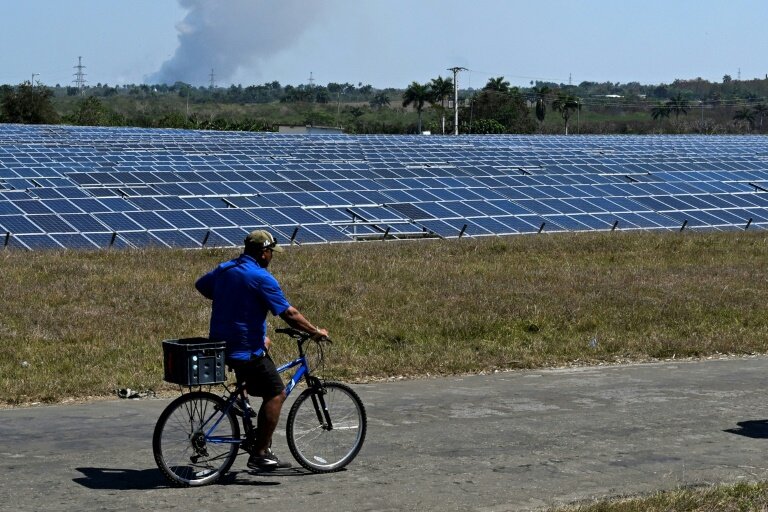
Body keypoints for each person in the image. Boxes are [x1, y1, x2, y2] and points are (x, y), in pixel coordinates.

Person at [195, 229, 328, 471]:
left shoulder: (225, 269)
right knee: (276, 392)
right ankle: (259, 453)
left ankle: (244, 402)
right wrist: (314, 332)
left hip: (220, 344)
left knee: (264, 350)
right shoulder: (261, 277)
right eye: (271, 252)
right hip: (243, 349)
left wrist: (229, 295)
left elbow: (202, 286)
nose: (272, 257)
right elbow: (289, 314)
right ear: (263, 253)